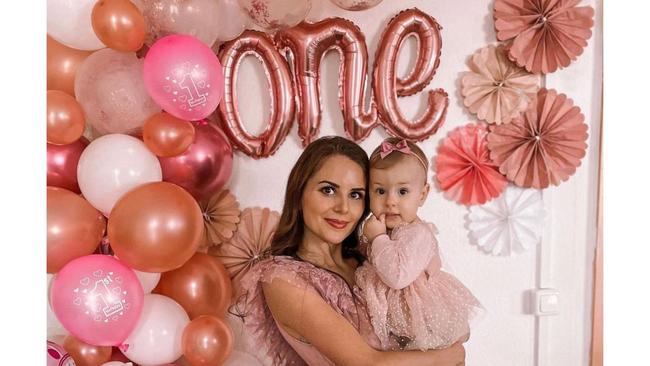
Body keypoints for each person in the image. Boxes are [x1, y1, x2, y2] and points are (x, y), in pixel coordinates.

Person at [234, 136, 467, 366]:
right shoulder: (282, 279)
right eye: (328, 190)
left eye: (355, 195)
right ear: (300, 191)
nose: (343, 207)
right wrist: (447, 356)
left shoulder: (372, 258)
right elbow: (365, 363)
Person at [355, 137, 484, 352]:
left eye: (402, 192)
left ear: (422, 195)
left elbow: (397, 276)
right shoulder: (382, 230)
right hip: (389, 317)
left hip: (417, 316)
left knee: (420, 354)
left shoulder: (418, 234)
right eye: (380, 191)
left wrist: (377, 239)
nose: (390, 201)